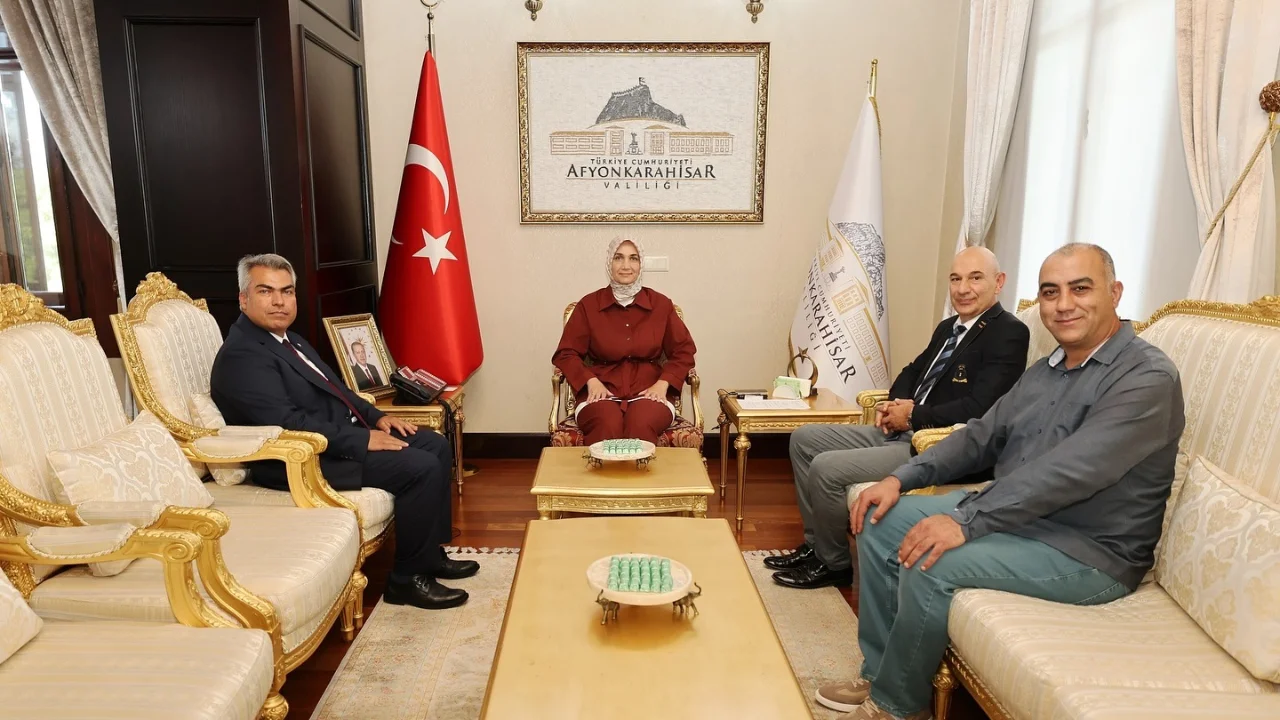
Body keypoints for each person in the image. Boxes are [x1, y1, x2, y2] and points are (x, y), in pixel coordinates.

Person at [819, 243, 1185, 719]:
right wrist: (899, 478)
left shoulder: (1146, 377)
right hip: (1019, 521)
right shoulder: (1046, 370)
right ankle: (881, 672)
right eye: (1050, 292)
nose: (1063, 304)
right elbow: (980, 436)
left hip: (1088, 551)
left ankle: (896, 706)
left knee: (932, 559)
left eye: (1080, 289)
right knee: (879, 517)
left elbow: (1068, 473)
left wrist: (965, 521)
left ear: (1114, 293)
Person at [210, 253, 476, 611]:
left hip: (335, 439)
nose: (279, 301)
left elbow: (338, 390)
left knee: (434, 444)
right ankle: (407, 581)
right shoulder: (243, 355)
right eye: (265, 291)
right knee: (420, 466)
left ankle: (428, 555)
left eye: (286, 292)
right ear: (243, 299)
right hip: (299, 460)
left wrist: (377, 418)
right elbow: (288, 424)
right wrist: (364, 439)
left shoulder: (290, 341)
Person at [770, 247, 1029, 590]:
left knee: (826, 468)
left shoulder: (1008, 332)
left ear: (999, 282)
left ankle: (833, 564)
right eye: (955, 279)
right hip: (904, 429)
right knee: (804, 439)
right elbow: (912, 371)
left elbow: (981, 407)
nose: (963, 288)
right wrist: (896, 405)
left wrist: (913, 416)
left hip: (939, 447)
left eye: (975, 278)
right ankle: (815, 546)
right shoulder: (949, 327)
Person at [552, 237, 696, 445]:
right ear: (609, 263)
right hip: (600, 391)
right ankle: (600, 469)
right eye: (619, 258)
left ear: (641, 264)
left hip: (650, 391)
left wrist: (662, 384)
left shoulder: (661, 305)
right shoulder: (588, 305)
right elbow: (566, 353)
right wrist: (590, 382)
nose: (626, 266)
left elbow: (684, 350)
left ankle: (643, 469)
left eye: (633, 258)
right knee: (606, 423)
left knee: (640, 422)